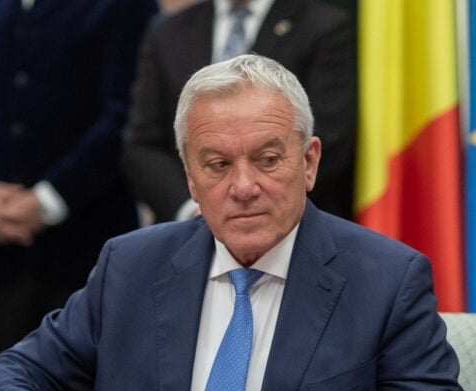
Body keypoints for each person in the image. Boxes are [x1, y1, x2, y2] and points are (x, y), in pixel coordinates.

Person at [0, 54, 476, 391]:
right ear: (190, 179)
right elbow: (13, 372)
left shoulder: (385, 280)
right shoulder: (131, 266)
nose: (244, 187)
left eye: (268, 159)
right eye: (217, 165)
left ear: (309, 162)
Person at [0, 0, 159, 353]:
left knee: (97, 382)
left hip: (92, 246)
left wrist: (47, 200)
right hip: (3, 248)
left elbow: (128, 114)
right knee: (13, 381)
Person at [121, 0, 357, 223]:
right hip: (189, 230)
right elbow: (143, 145)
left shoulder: (324, 26)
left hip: (293, 226)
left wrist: (256, 208)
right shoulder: (167, 31)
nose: (241, 187)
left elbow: (329, 137)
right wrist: (196, 211)